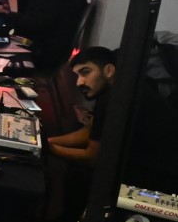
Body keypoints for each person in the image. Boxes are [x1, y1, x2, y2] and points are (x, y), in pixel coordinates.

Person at [47, 47, 178, 207]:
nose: (79, 82)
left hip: (159, 190)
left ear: (109, 70)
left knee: (80, 177)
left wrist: (49, 149)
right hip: (155, 173)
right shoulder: (124, 88)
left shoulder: (115, 99)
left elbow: (92, 157)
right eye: (77, 76)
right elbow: (92, 133)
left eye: (86, 72)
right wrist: (49, 141)